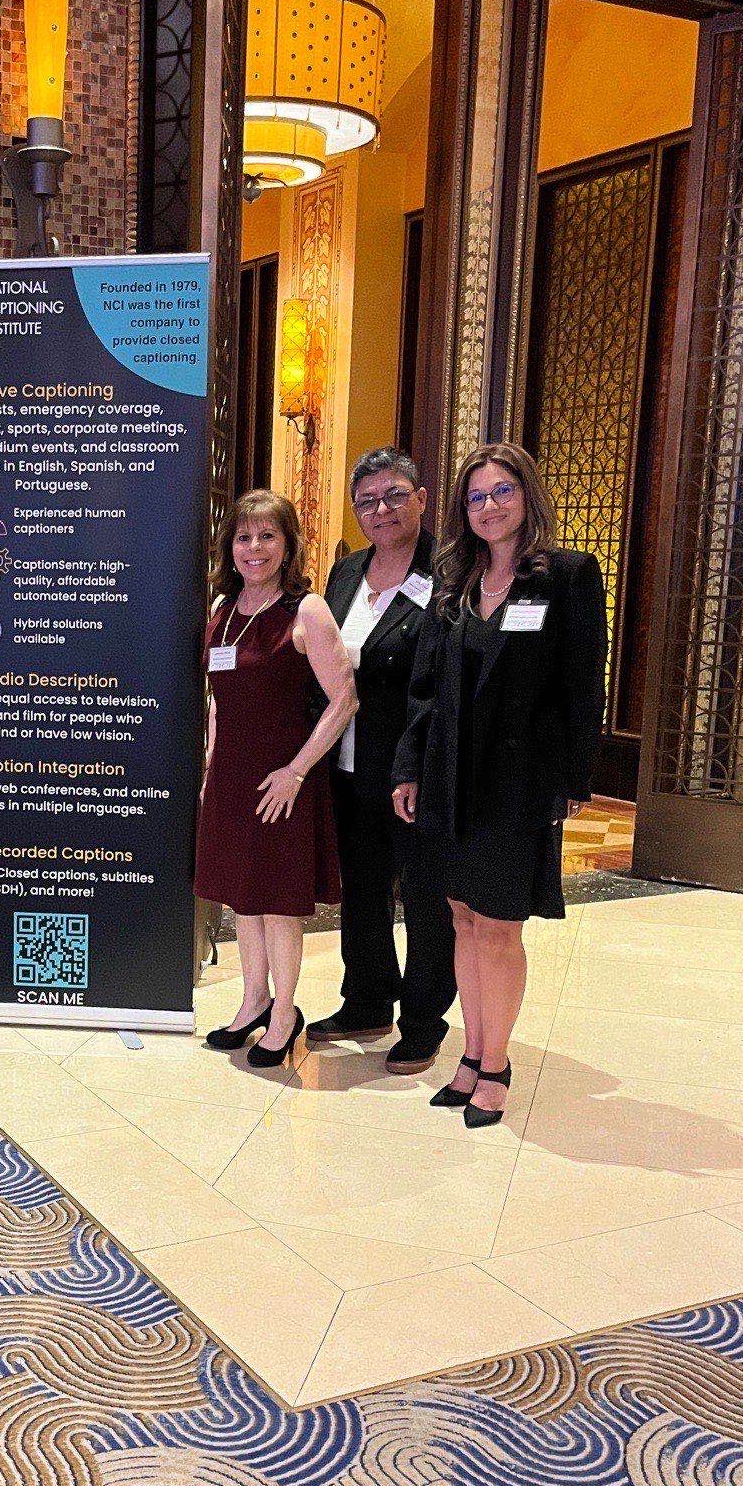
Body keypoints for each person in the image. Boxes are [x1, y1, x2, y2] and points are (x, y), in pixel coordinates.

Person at [392, 441, 606, 1127]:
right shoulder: (453, 580)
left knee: (499, 927)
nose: (489, 507)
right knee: (460, 916)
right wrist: (408, 767)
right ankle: (469, 1053)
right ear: (463, 509)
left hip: (517, 781)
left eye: (502, 492)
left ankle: (496, 1062)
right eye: (477, 497)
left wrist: (573, 778)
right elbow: (423, 688)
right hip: (449, 776)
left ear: (527, 496)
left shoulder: (566, 577)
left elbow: (582, 685)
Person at [195, 489, 354, 1068]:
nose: (254, 547)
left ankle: (285, 1013)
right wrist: (212, 766)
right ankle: (253, 1001)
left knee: (280, 903)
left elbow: (344, 700)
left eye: (267, 536)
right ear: (229, 547)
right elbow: (218, 699)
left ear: (287, 546)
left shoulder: (306, 610)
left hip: (284, 779)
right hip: (233, 778)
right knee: (245, 896)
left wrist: (296, 771)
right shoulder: (224, 609)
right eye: (244, 536)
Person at [310, 447, 456, 1073]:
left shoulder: (451, 573)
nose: (381, 510)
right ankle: (367, 999)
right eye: (367, 500)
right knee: (362, 889)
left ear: (423, 498)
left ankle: (423, 1018)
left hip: (413, 768)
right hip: (346, 765)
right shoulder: (345, 574)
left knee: (424, 896)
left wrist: (419, 764)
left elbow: (449, 681)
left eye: (395, 495)